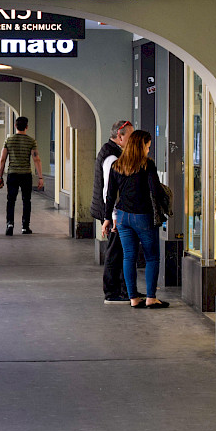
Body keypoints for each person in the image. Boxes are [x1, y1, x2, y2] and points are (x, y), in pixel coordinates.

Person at [102, 130, 169, 308]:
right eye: (147, 146)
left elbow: (110, 195)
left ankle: (133, 299)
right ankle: (151, 298)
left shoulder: (117, 165)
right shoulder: (147, 165)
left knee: (129, 257)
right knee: (152, 257)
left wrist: (107, 218)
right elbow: (155, 191)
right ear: (141, 146)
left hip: (123, 217)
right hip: (143, 217)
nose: (148, 150)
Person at [91, 120, 136, 304]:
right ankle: (112, 292)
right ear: (120, 135)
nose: (133, 140)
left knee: (121, 251)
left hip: (115, 213)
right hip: (117, 215)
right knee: (116, 252)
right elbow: (109, 190)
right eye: (130, 136)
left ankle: (125, 291)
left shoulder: (112, 152)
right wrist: (112, 217)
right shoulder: (112, 157)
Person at [0, 116, 44, 235]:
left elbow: (2, 159)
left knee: (11, 200)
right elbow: (36, 159)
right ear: (27, 127)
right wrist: (40, 177)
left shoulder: (9, 140)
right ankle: (25, 226)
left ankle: (10, 224)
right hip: (26, 175)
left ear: (15, 126)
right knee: (26, 200)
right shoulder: (31, 141)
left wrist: (0, 176)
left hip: (12, 174)